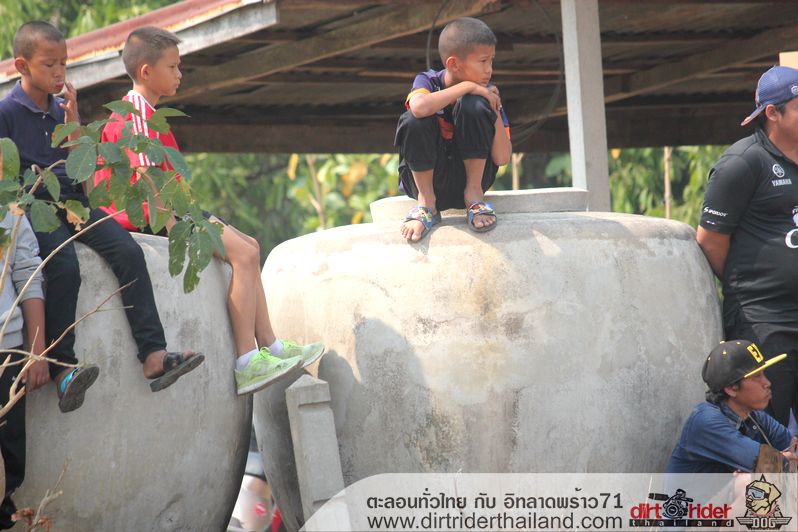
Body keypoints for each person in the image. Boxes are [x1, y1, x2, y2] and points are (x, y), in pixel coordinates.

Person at [93, 27, 325, 395]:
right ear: (146, 72)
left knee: (250, 246)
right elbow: (145, 177)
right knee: (244, 255)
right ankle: (247, 360)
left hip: (172, 210)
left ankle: (272, 344)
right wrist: (173, 227)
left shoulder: (148, 113)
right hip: (148, 217)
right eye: (173, 67)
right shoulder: (134, 115)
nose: (179, 74)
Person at [0, 21, 201, 400]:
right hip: (33, 207)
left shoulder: (61, 107)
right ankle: (63, 368)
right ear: (22, 66)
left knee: (127, 251)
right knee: (64, 266)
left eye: (64, 64)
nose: (59, 72)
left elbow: (81, 170)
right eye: (49, 65)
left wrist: (73, 121)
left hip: (74, 203)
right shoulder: (6, 112)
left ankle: (153, 353)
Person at [697, 65, 798, 427]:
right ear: (773, 113)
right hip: (763, 319)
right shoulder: (742, 163)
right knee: (767, 427)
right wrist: (751, 285)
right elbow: (710, 240)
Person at [395, 17, 512, 242]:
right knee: (413, 118)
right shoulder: (428, 81)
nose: (489, 70)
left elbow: (502, 157)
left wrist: (494, 109)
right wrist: (466, 86)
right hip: (428, 183)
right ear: (454, 64)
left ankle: (474, 197)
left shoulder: (486, 94)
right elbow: (419, 107)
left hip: (470, 182)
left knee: (474, 105)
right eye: (483, 61)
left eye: (491, 61)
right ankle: (426, 204)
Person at [667, 340, 798, 473]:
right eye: (757, 376)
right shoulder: (706, 421)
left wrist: (786, 459)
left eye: (764, 374)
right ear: (731, 388)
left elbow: (792, 448)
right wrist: (784, 460)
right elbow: (773, 465)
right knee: (746, 481)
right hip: (700, 488)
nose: (767, 383)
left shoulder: (753, 415)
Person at [0, 211, 46, 528]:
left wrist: (37, 352)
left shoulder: (10, 210)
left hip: (7, 351)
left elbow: (28, 273)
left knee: (10, 463)